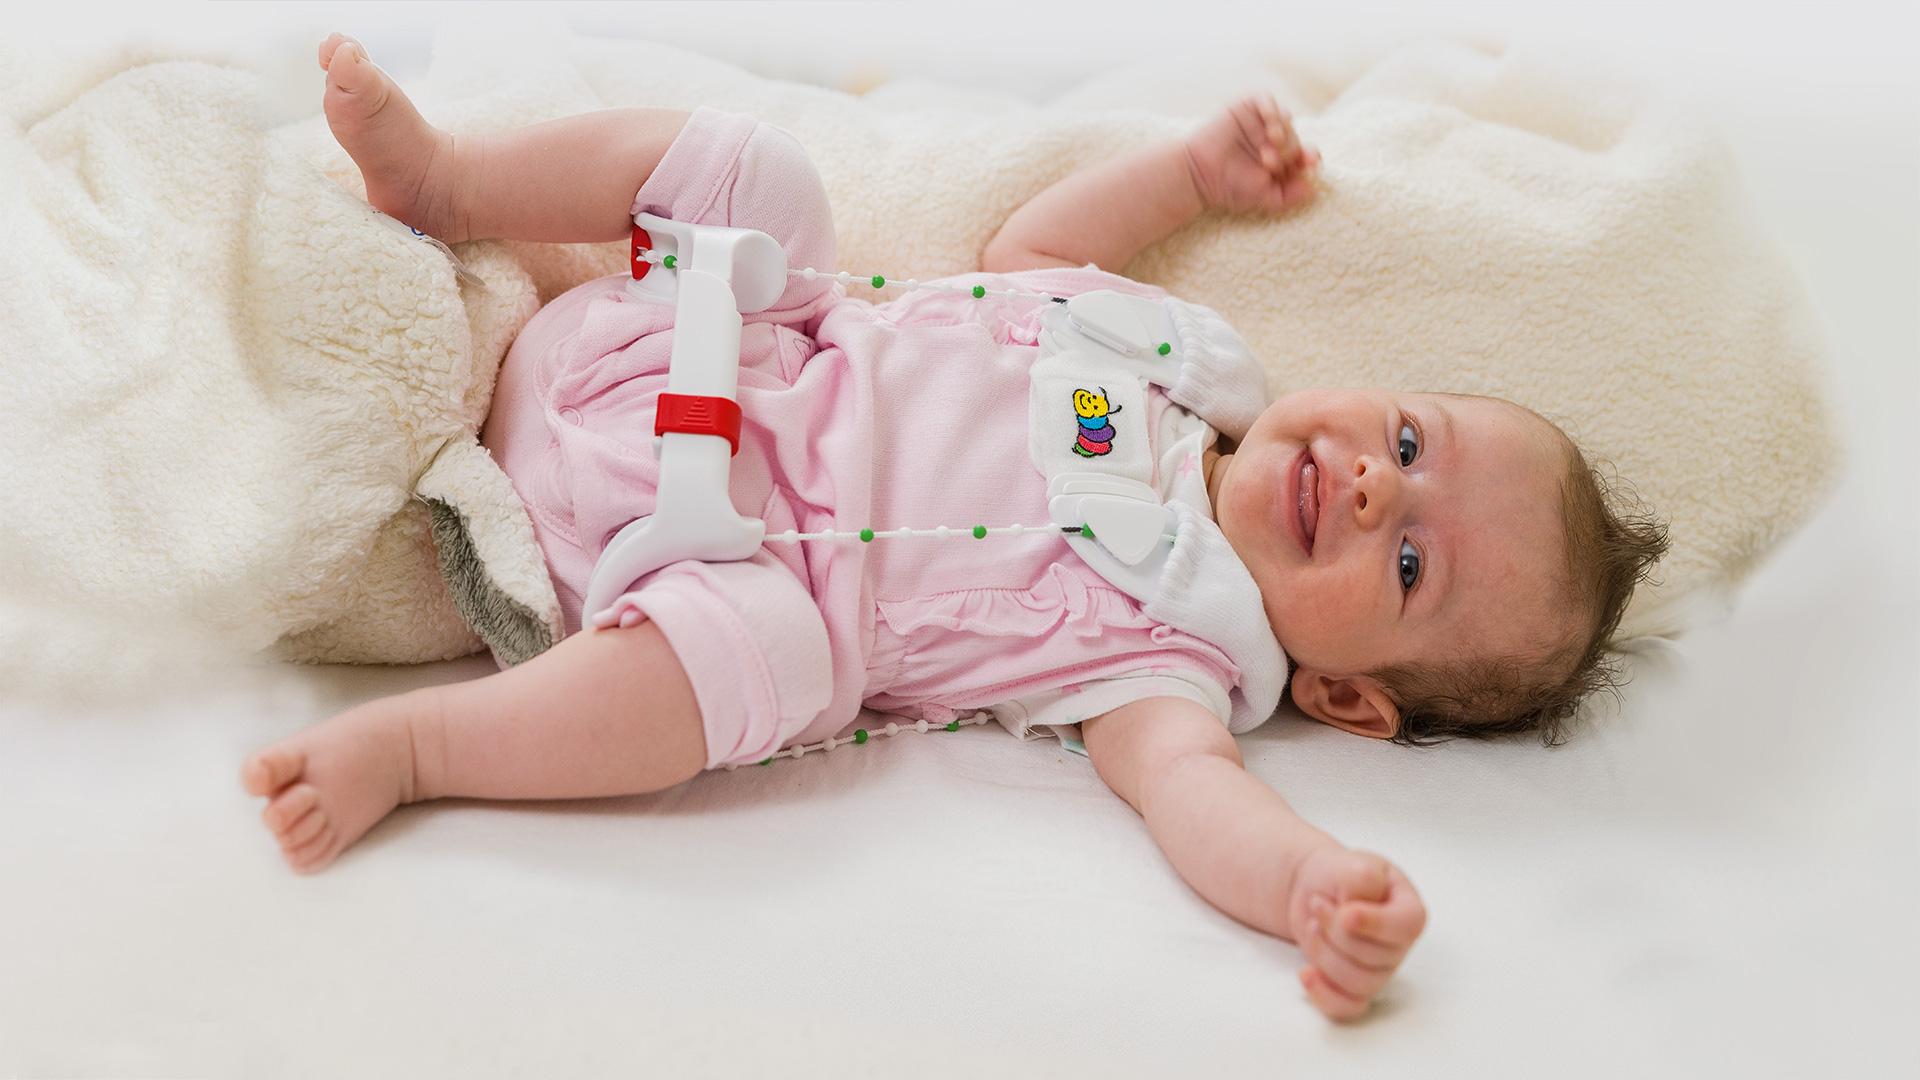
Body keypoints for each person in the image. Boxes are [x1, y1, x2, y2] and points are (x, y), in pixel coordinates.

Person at [243, 35, 1665, 1020]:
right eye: (1409, 444)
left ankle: (424, 749)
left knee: (770, 671)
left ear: (1350, 694)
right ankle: (449, 185)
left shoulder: (1174, 662)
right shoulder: (1174, 354)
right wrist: (1191, 176)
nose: (1372, 487)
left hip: (676, 570)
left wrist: (1306, 891)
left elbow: (1201, 808)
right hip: (682, 347)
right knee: (759, 174)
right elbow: (1026, 257)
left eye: (1410, 561)